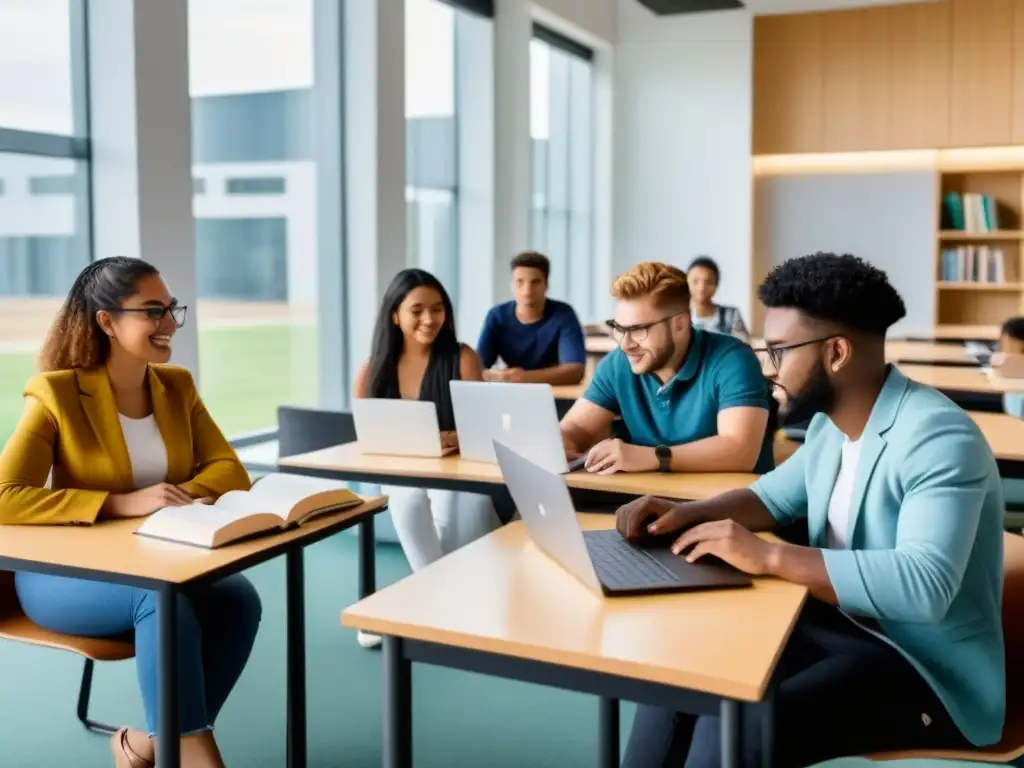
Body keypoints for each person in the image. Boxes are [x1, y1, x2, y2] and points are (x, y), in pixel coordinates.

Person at [616, 253, 1004, 767]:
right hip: (836, 624)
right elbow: (770, 498)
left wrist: (770, 558)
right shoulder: (829, 427)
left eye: (778, 350)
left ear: (836, 352)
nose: (766, 367)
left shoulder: (938, 436)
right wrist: (685, 511)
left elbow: (924, 585)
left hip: (921, 665)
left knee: (735, 727)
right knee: (685, 672)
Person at [0, 257, 261, 768]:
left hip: (157, 560)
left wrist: (173, 496)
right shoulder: (56, 392)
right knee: (161, 601)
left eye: (171, 310)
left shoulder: (176, 386)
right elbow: (5, 494)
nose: (170, 325)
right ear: (107, 322)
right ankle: (194, 756)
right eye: (153, 311)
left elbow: (231, 470)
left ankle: (146, 746)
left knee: (236, 599)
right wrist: (118, 504)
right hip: (67, 579)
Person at [353, 269, 499, 646]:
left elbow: (481, 431)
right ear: (395, 315)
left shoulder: (463, 357)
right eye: (417, 310)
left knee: (456, 513)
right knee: (406, 498)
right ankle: (442, 608)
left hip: (461, 474)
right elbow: (366, 432)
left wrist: (452, 438)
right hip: (403, 470)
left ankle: (412, 606)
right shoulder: (373, 368)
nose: (429, 319)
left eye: (437, 309)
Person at [560, 262, 774, 476]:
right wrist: (563, 442)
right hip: (647, 500)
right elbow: (576, 428)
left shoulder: (733, 359)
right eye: (618, 328)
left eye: (638, 329)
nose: (625, 344)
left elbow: (740, 450)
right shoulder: (618, 363)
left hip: (726, 504)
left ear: (679, 325)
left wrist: (652, 456)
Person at [476, 251, 586, 385]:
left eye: (535, 282)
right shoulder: (497, 316)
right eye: (519, 282)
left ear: (546, 285)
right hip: (510, 394)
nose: (527, 291)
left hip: (555, 395)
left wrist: (520, 377)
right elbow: (478, 368)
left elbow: (575, 371)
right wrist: (501, 376)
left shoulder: (563, 315)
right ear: (511, 285)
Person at [686, 255, 751, 343]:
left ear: (716, 284)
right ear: (686, 282)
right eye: (695, 281)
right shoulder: (678, 316)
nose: (701, 288)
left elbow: (743, 347)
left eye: (708, 282)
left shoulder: (731, 315)